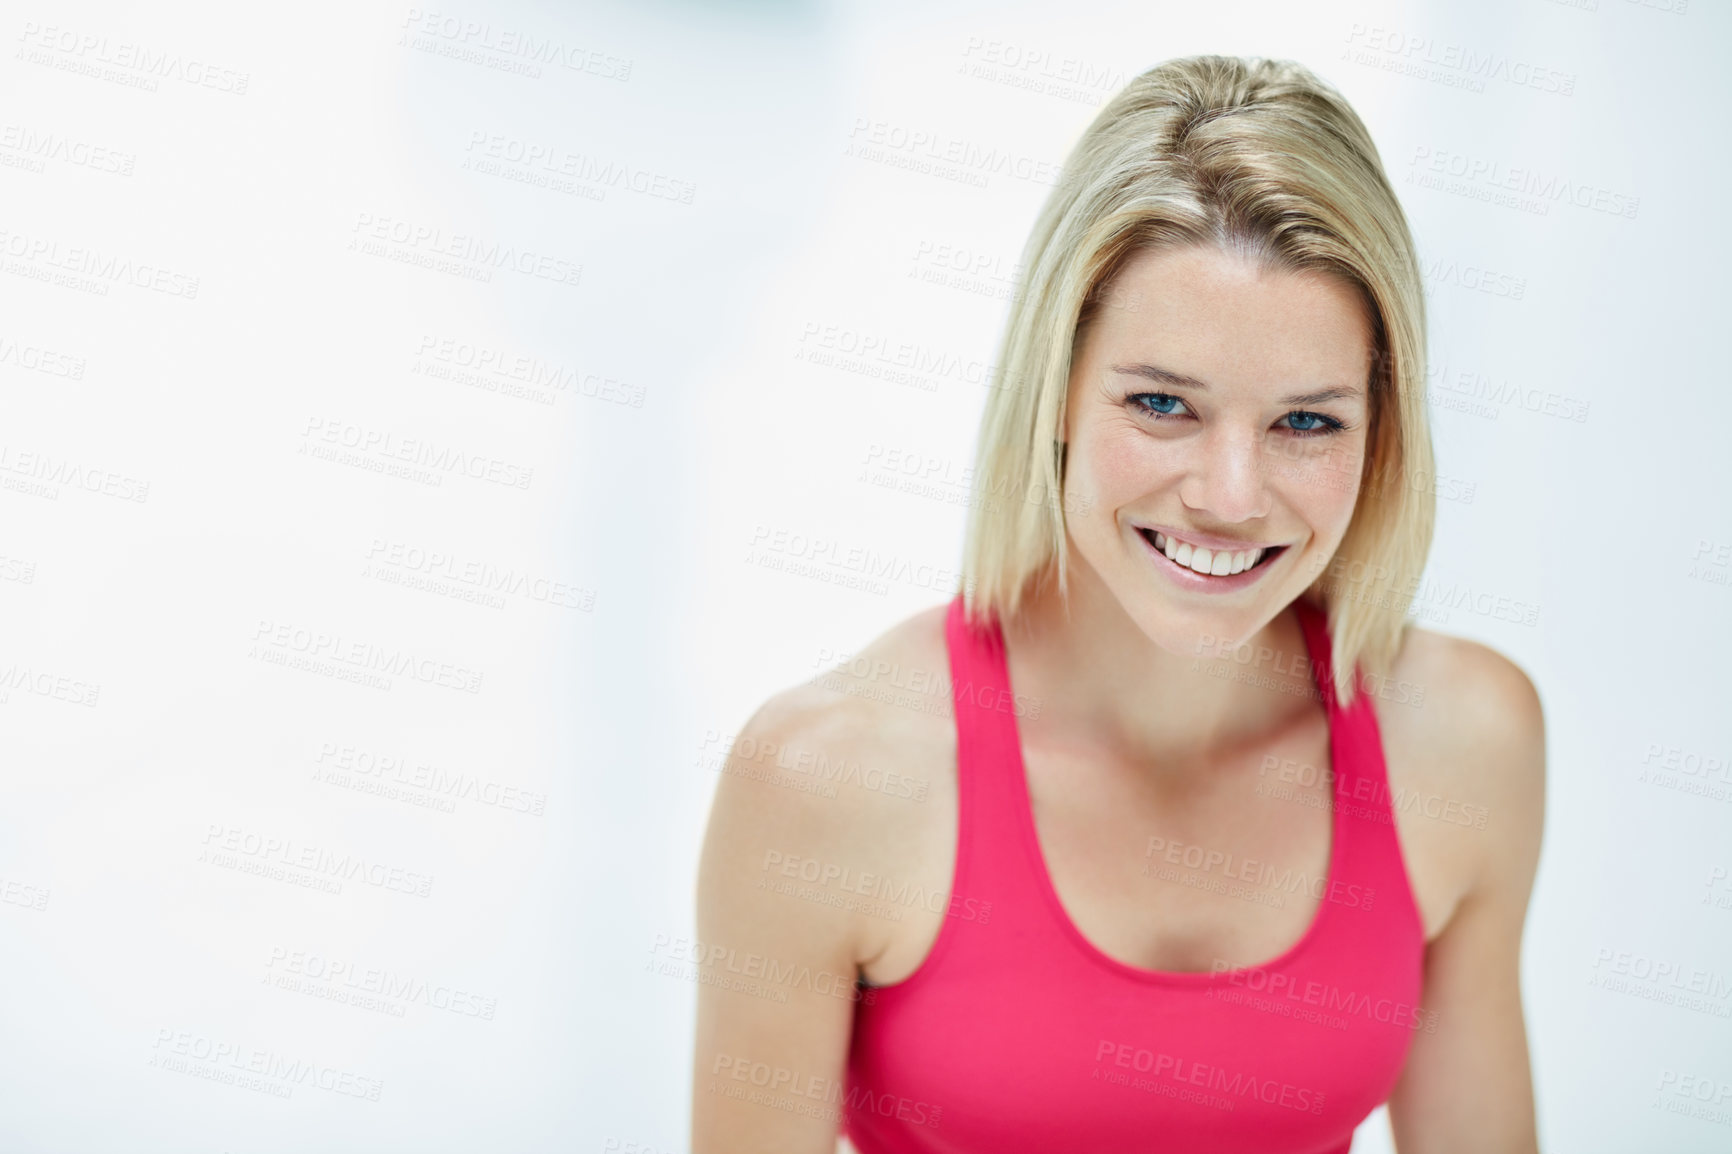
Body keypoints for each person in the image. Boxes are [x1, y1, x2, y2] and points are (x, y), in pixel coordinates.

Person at [692, 54, 1544, 1154]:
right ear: (1052, 388)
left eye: (1306, 422)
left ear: (1382, 428)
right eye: (1159, 402)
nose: (1230, 496)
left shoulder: (1467, 739)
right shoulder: (825, 778)